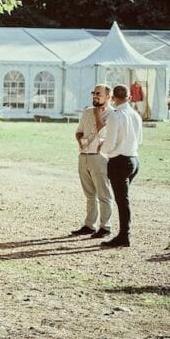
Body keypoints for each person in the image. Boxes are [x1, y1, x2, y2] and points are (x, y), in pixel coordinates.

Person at [100, 84, 143, 249]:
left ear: (112, 98)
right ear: (130, 97)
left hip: (119, 161)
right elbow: (139, 140)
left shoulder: (115, 116)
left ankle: (124, 235)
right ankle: (124, 233)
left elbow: (110, 143)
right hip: (134, 160)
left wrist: (102, 149)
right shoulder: (135, 115)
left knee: (122, 200)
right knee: (122, 199)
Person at [71, 84, 115, 238]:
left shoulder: (112, 114)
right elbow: (79, 131)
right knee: (89, 194)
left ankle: (105, 226)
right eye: (94, 93)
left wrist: (97, 113)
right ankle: (90, 224)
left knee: (103, 194)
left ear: (108, 97)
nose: (95, 96)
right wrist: (80, 142)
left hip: (99, 157)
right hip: (84, 156)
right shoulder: (87, 112)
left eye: (99, 94)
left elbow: (103, 130)